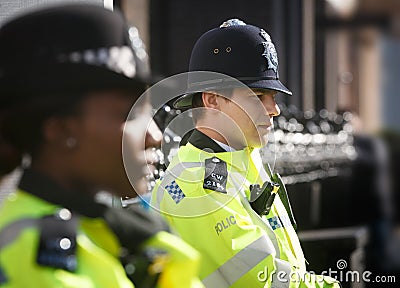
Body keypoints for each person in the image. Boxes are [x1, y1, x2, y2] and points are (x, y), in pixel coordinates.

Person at [0, 4, 202, 288]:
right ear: (62, 131)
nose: (155, 136)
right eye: (130, 114)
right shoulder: (34, 255)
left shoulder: (105, 228)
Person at [151, 19, 341, 287]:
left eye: (274, 97)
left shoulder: (242, 161)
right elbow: (265, 280)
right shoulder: (197, 183)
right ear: (213, 100)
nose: (274, 109)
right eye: (259, 96)